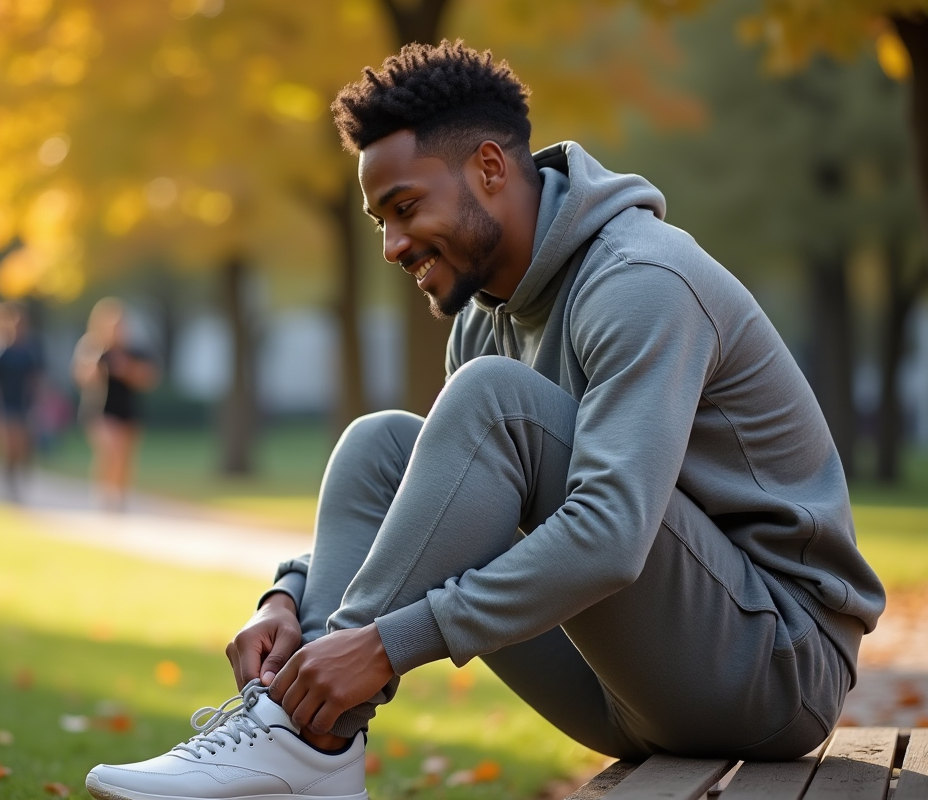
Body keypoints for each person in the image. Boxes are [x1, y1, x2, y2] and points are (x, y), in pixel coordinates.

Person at [85, 41, 886, 800]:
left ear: (491, 168)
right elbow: (436, 504)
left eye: (406, 207)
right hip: (628, 682)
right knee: (380, 448)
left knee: (491, 399)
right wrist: (287, 598)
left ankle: (298, 733)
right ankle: (312, 742)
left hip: (775, 665)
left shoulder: (641, 280)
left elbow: (611, 535)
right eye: (380, 223)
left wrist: (384, 645)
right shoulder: (483, 318)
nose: (394, 245)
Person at [72, 298, 158, 512]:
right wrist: (94, 365)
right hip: (99, 410)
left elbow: (149, 378)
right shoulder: (92, 347)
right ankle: (105, 495)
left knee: (124, 456)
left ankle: (119, 496)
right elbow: (81, 377)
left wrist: (126, 369)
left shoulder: (135, 351)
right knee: (111, 450)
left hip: (127, 409)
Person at [0, 303, 43, 502]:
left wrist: (37, 403)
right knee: (10, 444)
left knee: (24, 446)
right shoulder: (2, 351)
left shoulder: (31, 349)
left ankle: (19, 481)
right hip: (7, 403)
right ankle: (8, 481)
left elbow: (37, 377)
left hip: (26, 404)